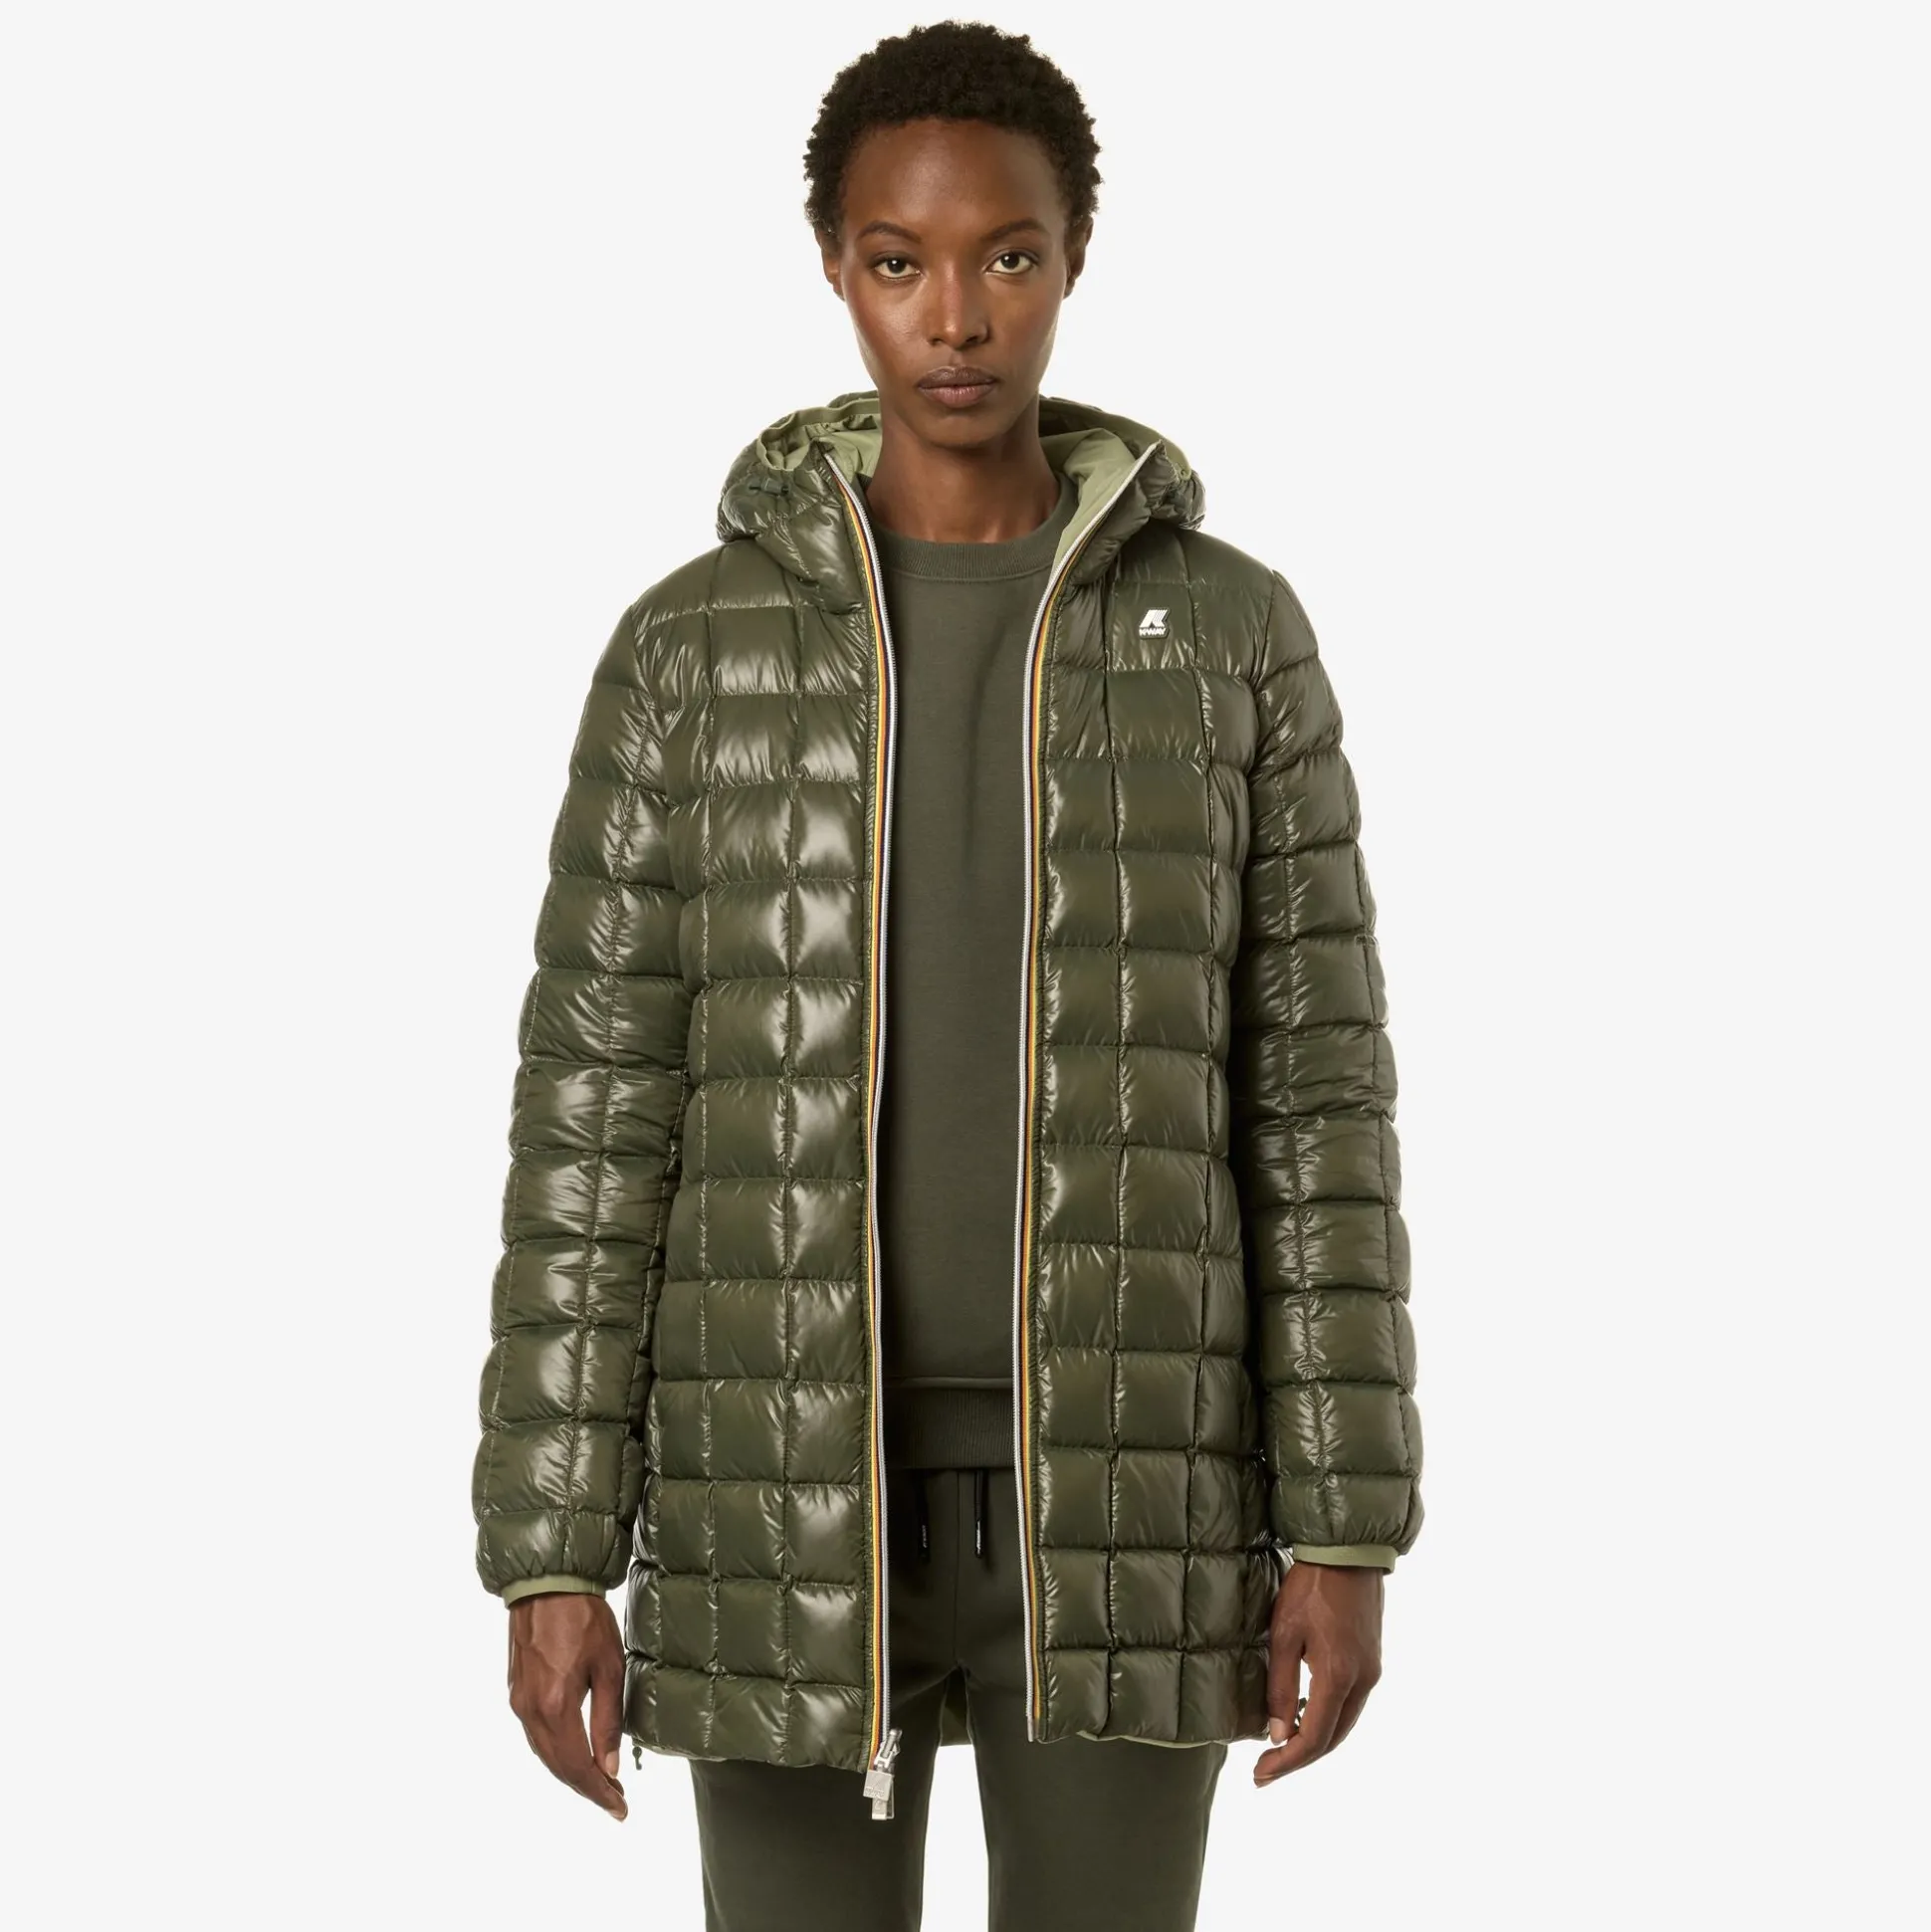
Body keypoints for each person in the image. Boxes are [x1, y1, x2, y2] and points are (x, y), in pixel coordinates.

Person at [470, 21, 1423, 1930]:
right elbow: (596, 1116)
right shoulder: (690, 653)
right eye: (900, 261)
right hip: (772, 1487)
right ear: (836, 266)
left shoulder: (1230, 637)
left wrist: (1343, 1522)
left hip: (1134, 1498)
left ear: (1074, 261)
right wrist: (552, 1554)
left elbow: (1316, 1094)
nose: (958, 316)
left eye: (1009, 256)